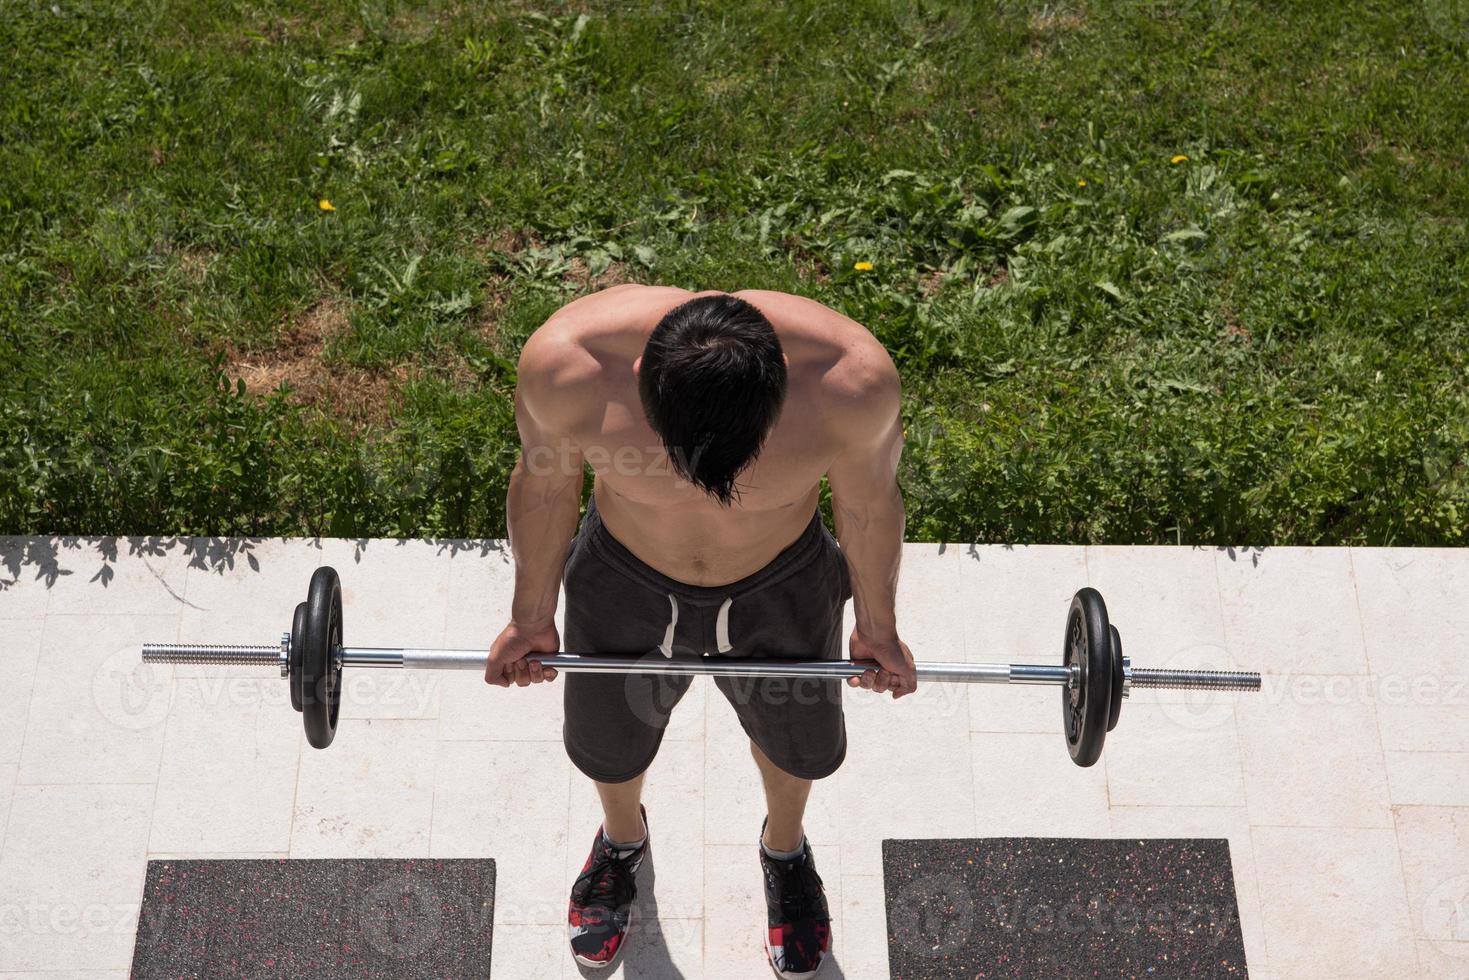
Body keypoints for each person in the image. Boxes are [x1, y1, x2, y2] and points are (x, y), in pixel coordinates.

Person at [485, 284, 914, 977]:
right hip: (625, 577)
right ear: (640, 386)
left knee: (798, 746)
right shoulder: (569, 369)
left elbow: (868, 504)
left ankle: (785, 849)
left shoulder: (849, 383)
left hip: (781, 583)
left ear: (777, 395)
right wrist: (530, 618)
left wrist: (876, 626)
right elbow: (545, 484)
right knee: (607, 742)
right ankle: (622, 842)